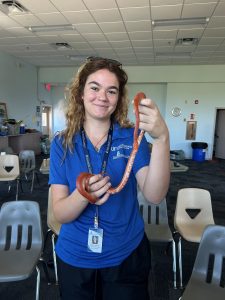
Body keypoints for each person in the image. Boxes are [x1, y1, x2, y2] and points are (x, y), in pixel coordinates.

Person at [49, 56, 170, 300]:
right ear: (81, 93)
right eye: (94, 87)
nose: (102, 97)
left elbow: (155, 195)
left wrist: (162, 138)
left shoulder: (131, 136)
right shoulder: (62, 143)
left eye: (111, 91)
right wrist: (84, 196)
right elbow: (60, 213)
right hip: (75, 257)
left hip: (126, 255)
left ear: (119, 98)